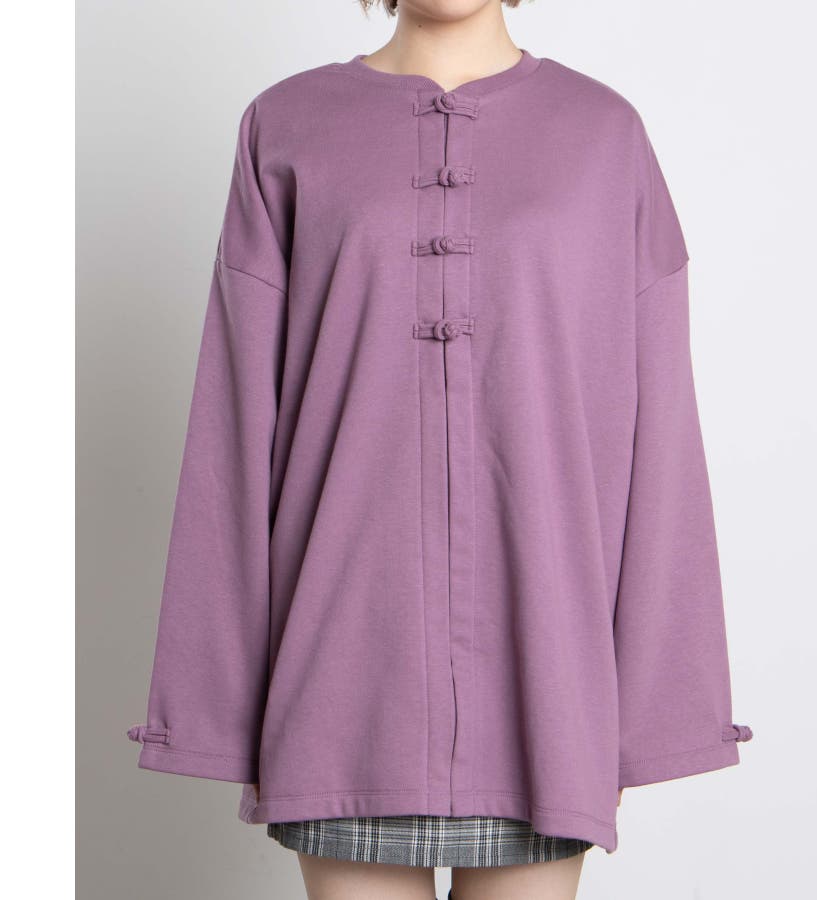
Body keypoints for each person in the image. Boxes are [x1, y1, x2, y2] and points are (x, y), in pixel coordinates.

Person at [126, 1, 754, 898]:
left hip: (547, 679)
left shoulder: (604, 134)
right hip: (341, 679)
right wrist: (218, 712)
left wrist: (644, 715)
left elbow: (660, 445)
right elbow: (231, 430)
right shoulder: (286, 125)